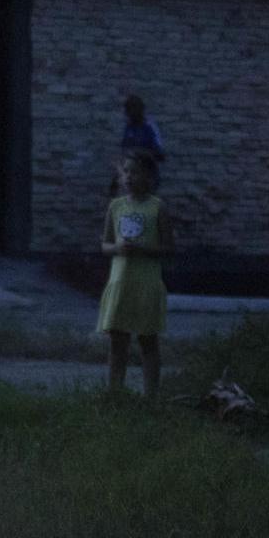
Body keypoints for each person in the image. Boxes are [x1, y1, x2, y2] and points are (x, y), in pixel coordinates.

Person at [98, 152, 172, 397]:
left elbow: (168, 248)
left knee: (147, 342)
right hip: (121, 281)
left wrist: (143, 249)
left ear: (150, 176)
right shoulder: (116, 206)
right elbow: (105, 245)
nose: (129, 177)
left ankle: (151, 396)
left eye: (136, 171)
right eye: (126, 171)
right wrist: (118, 248)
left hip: (147, 283)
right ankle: (115, 393)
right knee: (118, 342)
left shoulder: (157, 208)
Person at [120, 94, 167, 165]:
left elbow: (160, 154)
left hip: (148, 165)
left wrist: (142, 154)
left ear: (140, 110)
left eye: (131, 111)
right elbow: (125, 148)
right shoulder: (129, 127)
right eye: (128, 112)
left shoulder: (150, 127)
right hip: (133, 164)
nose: (129, 115)